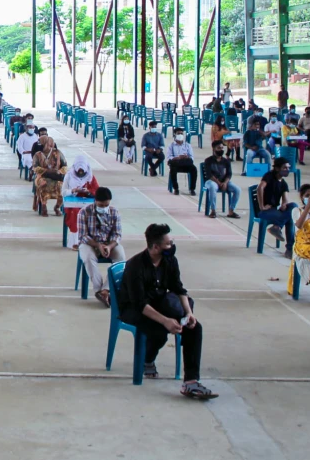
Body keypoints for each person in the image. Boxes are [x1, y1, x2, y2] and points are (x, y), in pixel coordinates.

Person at [114, 224, 216, 400]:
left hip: (158, 302)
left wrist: (188, 313)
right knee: (159, 331)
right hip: (133, 309)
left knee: (194, 328)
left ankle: (191, 382)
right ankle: (147, 360)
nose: (172, 246)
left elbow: (179, 288)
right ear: (155, 247)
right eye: (168, 244)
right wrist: (165, 321)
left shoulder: (170, 261)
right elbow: (140, 304)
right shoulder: (135, 266)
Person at [75, 187, 121, 307]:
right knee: (88, 258)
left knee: (121, 258)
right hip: (89, 243)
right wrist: (98, 245)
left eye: (106, 205)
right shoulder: (84, 212)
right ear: (95, 201)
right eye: (101, 205)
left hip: (109, 243)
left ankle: (106, 290)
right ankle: (99, 290)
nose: (104, 207)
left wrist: (109, 247)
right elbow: (83, 236)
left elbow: (117, 235)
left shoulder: (114, 212)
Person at [257, 158, 297, 256]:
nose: (287, 170)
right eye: (285, 168)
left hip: (275, 210)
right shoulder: (269, 176)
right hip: (265, 211)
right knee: (290, 219)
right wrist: (262, 206)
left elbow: (285, 198)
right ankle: (289, 249)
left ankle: (277, 227)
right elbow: (260, 187)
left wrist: (284, 204)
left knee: (294, 206)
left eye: (288, 168)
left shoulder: (283, 183)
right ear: (277, 168)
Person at [62, 156, 100, 233]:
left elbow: (98, 192)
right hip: (72, 205)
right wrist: (73, 191)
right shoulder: (69, 176)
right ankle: (76, 235)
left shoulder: (90, 177)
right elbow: (63, 192)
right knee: (76, 213)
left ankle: (90, 234)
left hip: (88, 204)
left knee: (92, 214)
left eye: (82, 172)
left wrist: (89, 192)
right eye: (78, 172)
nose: (80, 173)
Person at [202, 143, 240, 219]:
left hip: (224, 182)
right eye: (219, 148)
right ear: (214, 149)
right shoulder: (208, 160)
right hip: (211, 181)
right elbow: (209, 175)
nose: (221, 149)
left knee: (237, 189)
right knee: (213, 187)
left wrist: (225, 183)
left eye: (222, 148)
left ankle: (231, 211)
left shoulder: (226, 161)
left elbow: (229, 174)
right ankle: (213, 210)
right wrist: (219, 183)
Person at [32, 136, 66, 217]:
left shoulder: (57, 153)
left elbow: (65, 166)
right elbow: (35, 167)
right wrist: (46, 171)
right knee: (43, 183)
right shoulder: (37, 155)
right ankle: (44, 206)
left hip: (56, 176)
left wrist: (59, 172)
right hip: (42, 176)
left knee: (61, 186)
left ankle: (57, 207)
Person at [166, 130, 197, 196]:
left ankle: (192, 189)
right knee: (172, 169)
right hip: (176, 164)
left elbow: (192, 157)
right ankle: (176, 188)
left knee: (194, 169)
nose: (180, 135)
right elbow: (169, 157)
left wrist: (186, 157)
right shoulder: (171, 145)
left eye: (181, 133)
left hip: (186, 164)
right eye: (178, 133)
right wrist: (178, 157)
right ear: (175, 135)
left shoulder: (187, 145)